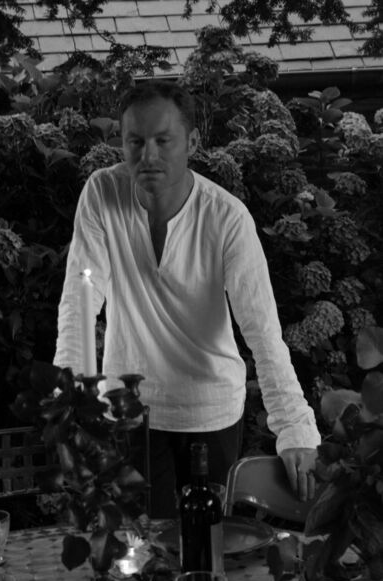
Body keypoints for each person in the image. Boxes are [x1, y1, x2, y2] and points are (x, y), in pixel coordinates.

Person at [54, 79, 321, 517]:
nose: (148, 156)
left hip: (210, 411)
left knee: (206, 544)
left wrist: (295, 428)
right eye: (135, 141)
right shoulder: (102, 194)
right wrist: (73, 399)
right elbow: (80, 302)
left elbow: (262, 331)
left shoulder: (227, 218)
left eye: (163, 140)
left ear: (192, 142)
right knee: (139, 547)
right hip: (130, 411)